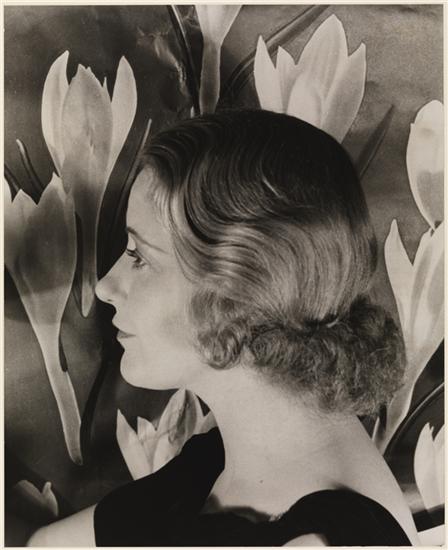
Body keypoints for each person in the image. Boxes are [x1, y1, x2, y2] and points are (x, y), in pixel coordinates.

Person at [27, 110, 419, 546]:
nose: (105, 287)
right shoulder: (225, 458)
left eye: (138, 256)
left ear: (244, 292)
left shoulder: (320, 537)